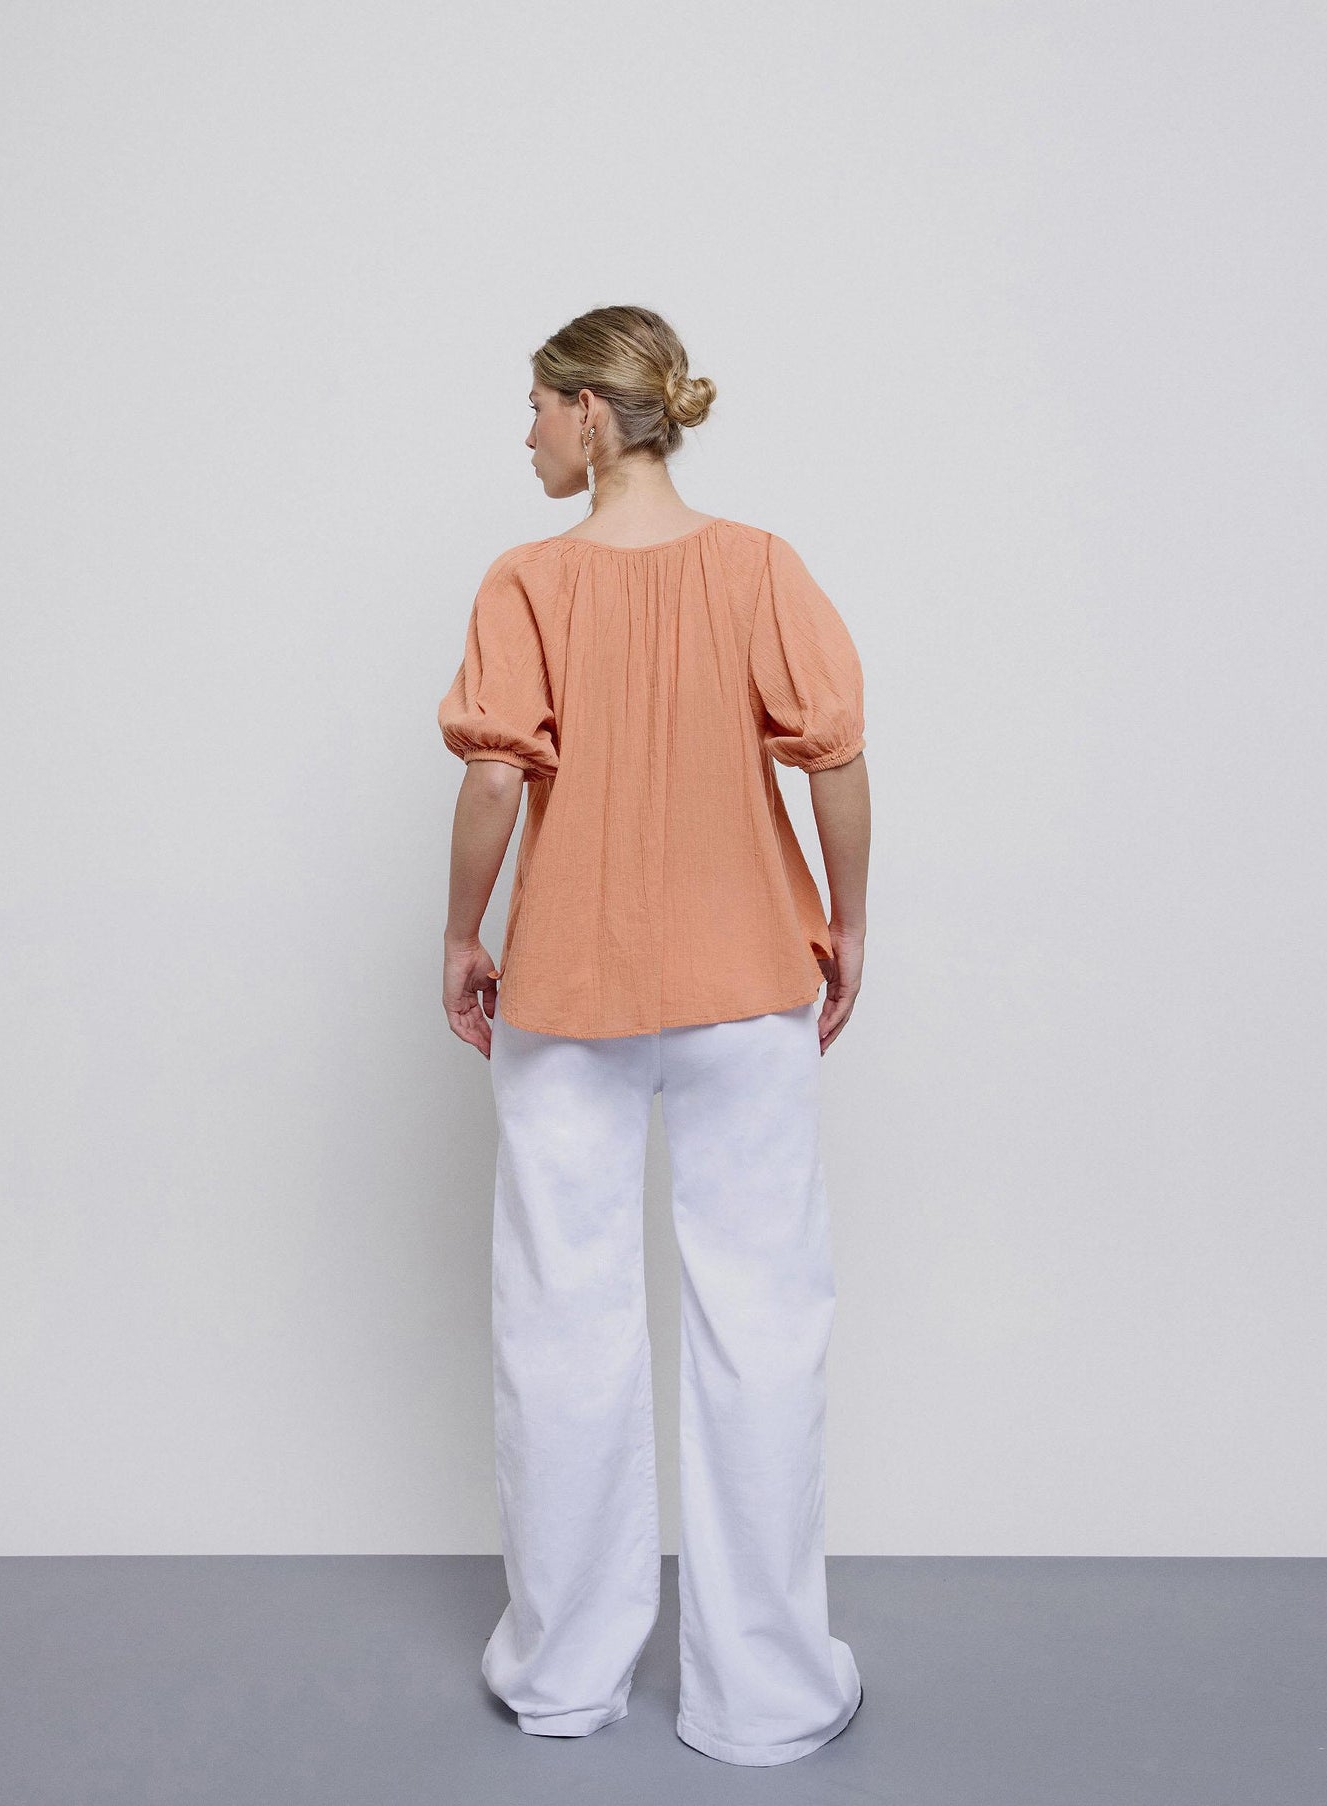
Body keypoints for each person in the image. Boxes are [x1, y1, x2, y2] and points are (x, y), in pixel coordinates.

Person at [436, 304, 871, 1767]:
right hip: (749, 980)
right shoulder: (759, 566)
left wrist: (461, 932)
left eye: (535, 408)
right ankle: (769, 1696)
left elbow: (493, 780)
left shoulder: (528, 581)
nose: (525, 437)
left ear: (588, 413)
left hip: (569, 988)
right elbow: (834, 756)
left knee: (561, 1322)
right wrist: (847, 921)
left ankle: (565, 1674)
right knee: (763, 1321)